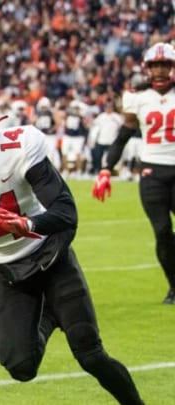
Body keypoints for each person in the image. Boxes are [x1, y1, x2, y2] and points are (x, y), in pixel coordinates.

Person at [0, 78, 144, 404]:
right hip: (7, 271)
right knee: (20, 366)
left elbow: (65, 212)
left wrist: (29, 223)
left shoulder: (18, 147)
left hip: (50, 258)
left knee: (90, 354)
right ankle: (49, 315)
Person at [93, 42, 175, 305]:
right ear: (147, 69)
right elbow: (125, 134)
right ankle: (174, 287)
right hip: (152, 172)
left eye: (165, 65)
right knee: (162, 231)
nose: (160, 71)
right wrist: (106, 167)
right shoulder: (137, 97)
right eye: (155, 66)